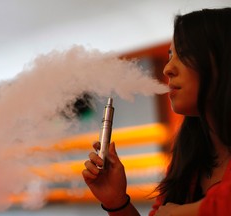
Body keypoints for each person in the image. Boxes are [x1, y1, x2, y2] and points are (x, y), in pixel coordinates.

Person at [82, 7, 231, 216]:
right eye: (171, 55)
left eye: (185, 53)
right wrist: (116, 201)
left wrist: (180, 213)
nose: (167, 69)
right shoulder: (187, 156)